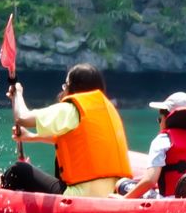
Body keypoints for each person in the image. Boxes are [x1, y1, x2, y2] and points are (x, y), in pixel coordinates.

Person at [8, 63, 136, 196]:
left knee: (19, 170)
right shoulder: (108, 110)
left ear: (73, 86)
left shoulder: (71, 108)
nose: (64, 89)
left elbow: (22, 118)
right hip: (112, 194)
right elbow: (74, 140)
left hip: (80, 196)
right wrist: (30, 137)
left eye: (66, 85)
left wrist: (17, 94)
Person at [117, 92, 186, 198]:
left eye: (160, 119)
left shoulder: (162, 141)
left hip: (170, 203)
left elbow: (150, 181)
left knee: (122, 184)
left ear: (168, 119)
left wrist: (124, 200)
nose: (159, 122)